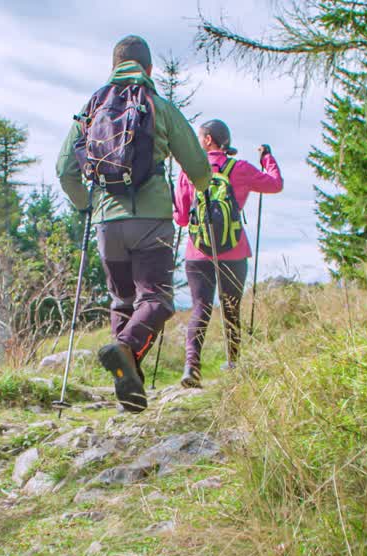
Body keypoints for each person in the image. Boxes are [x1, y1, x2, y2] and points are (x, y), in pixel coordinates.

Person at [57, 35, 211, 412]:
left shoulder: (92, 107)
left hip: (107, 223)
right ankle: (124, 349)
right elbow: (198, 166)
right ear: (149, 69)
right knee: (156, 299)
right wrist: (202, 186)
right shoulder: (159, 106)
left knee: (123, 301)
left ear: (113, 67)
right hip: (151, 220)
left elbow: (64, 169)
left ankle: (132, 395)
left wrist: (87, 206)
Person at [172, 119, 283, 388]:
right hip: (234, 250)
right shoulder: (240, 168)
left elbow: (182, 219)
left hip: (198, 252)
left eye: (200, 137)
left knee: (200, 307)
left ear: (208, 139)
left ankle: (191, 367)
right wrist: (267, 158)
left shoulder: (190, 171)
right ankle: (233, 365)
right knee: (231, 309)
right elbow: (275, 184)